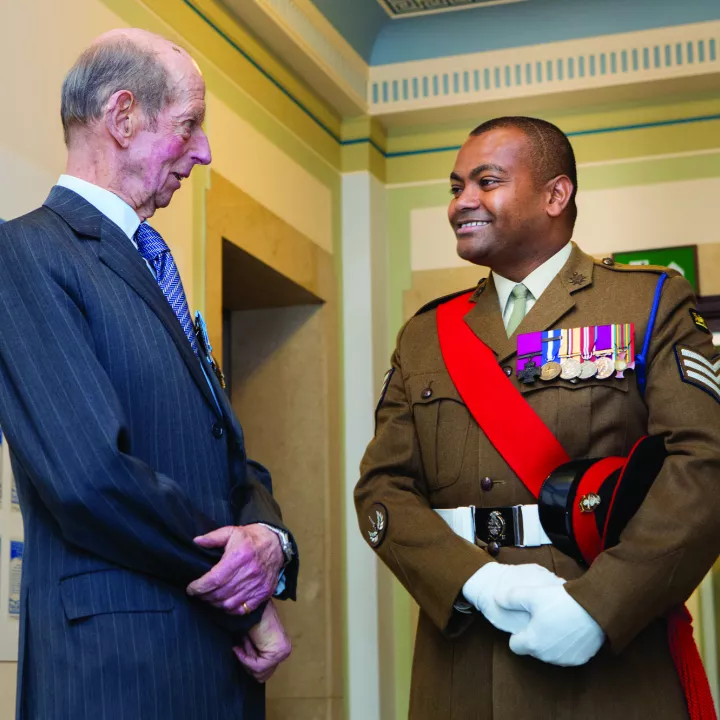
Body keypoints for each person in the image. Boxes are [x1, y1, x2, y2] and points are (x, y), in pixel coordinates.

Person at [356, 116, 720, 719]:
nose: (460, 203)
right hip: (463, 659)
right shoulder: (427, 334)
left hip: (605, 657)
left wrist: (601, 606)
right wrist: (476, 582)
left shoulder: (648, 300)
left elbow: (705, 464)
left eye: (486, 181)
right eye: (455, 187)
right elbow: (381, 488)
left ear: (556, 195)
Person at [0, 29, 298, 720]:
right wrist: (243, 593)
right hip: (119, 676)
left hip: (213, 674)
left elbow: (228, 454)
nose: (205, 152)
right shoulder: (27, 255)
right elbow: (90, 475)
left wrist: (270, 542)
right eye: (190, 124)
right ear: (123, 116)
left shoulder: (152, 268)